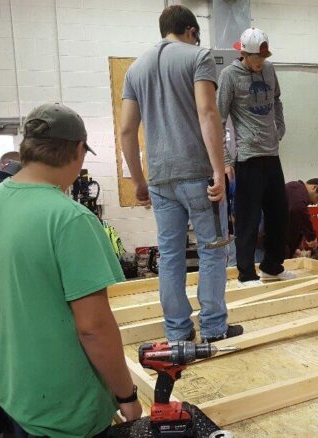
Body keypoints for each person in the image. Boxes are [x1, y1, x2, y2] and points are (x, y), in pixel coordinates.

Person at [0, 103, 142, 437]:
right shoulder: (71, 219)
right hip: (66, 412)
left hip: (12, 393)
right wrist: (126, 395)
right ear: (77, 150)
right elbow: (93, 328)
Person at [120, 5, 242, 343]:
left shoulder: (135, 68)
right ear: (191, 30)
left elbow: (127, 131)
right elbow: (207, 111)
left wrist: (138, 180)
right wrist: (220, 169)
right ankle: (215, 328)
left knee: (171, 254)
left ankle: (177, 330)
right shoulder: (197, 56)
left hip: (159, 179)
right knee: (213, 249)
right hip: (197, 174)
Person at [217, 27, 295, 287]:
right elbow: (218, 119)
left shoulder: (270, 70)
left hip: (272, 155)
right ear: (244, 54)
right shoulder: (229, 76)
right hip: (248, 158)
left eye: (263, 56)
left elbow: (278, 100)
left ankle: (273, 266)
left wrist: (280, 127)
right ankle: (246, 274)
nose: (260, 62)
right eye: (255, 58)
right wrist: (226, 160)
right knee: (249, 219)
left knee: (279, 215)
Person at [285, 178, 318, 258]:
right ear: (314, 187)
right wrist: (311, 236)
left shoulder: (298, 194)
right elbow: (298, 210)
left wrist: (295, 248)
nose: (315, 203)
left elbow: (294, 221)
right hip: (268, 241)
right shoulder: (296, 188)